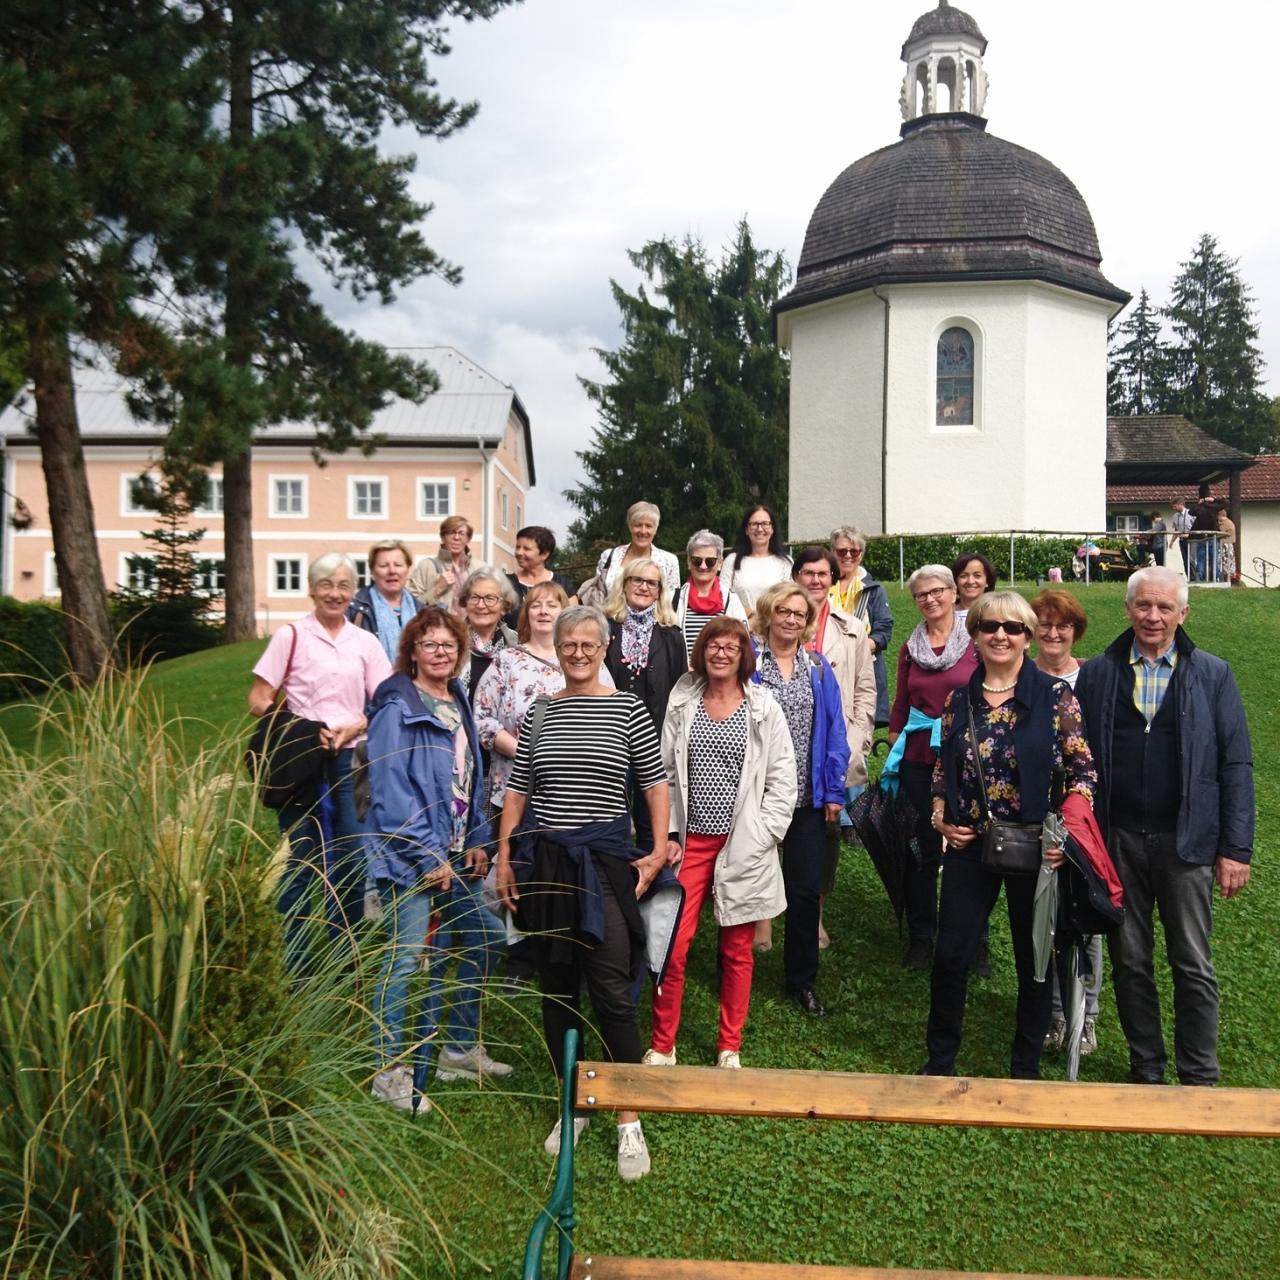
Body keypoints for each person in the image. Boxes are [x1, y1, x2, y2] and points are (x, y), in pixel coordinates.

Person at [494, 605, 682, 1181]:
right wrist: (505, 855)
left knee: (610, 986)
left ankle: (628, 1115)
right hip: (548, 863)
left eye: (588, 644)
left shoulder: (628, 709)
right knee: (556, 987)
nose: (578, 652)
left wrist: (655, 850)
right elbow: (519, 788)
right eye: (568, 643)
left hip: (604, 862)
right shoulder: (540, 712)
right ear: (558, 646)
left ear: (604, 648)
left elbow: (653, 784)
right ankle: (573, 1101)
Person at [1073, 566, 1254, 1085]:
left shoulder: (1213, 674)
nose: (1153, 617)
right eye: (1144, 606)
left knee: (1192, 961)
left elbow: (1235, 764)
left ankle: (1199, 1074)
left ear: (1183, 614)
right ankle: (1146, 1067)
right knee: (1131, 961)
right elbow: (1079, 758)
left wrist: (1235, 849)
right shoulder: (1100, 673)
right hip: (1118, 839)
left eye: (1164, 608)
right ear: (1128, 609)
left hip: (1187, 842)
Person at [922, 591, 1098, 1079]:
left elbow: (1083, 771)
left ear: (1026, 637)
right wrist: (940, 815)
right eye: (990, 626)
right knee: (951, 955)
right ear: (975, 634)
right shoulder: (960, 700)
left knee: (1034, 960)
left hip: (1039, 849)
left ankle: (1025, 1068)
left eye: (1014, 628)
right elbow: (943, 769)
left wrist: (1065, 833)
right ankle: (940, 1061)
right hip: (969, 844)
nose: (1001, 635)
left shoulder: (1056, 697)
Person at [364, 607, 511, 1113]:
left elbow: (467, 779)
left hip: (454, 854)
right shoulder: (396, 705)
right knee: (405, 960)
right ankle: (389, 1070)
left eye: (449, 644)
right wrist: (428, 856)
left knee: (486, 939)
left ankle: (455, 1048)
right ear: (413, 650)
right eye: (430, 644)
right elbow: (389, 793)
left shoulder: (458, 698)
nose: (441, 652)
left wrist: (476, 837)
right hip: (409, 860)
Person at [646, 618, 797, 1069]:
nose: (722, 653)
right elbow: (665, 774)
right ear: (703, 650)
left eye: (732, 646)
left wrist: (765, 833)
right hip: (690, 844)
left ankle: (729, 1046)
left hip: (743, 844)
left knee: (736, 949)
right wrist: (669, 834)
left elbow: (782, 778)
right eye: (714, 644)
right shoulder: (683, 698)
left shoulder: (763, 706)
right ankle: (663, 1044)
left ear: (743, 655)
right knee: (673, 944)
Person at [248, 553, 392, 977]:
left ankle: (341, 957)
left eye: (344, 585)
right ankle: (294, 962)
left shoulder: (365, 642)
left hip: (349, 760)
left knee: (350, 860)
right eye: (326, 584)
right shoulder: (291, 636)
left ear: (353, 592)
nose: (335, 593)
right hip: (300, 760)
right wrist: (302, 726)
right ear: (312, 589)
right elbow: (257, 699)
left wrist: (355, 725)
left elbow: (385, 700)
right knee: (302, 858)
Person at [749, 581, 850, 1017]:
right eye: (783, 611)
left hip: (807, 797)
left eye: (799, 614)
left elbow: (834, 731)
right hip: (756, 796)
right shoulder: (748, 664)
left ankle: (801, 980)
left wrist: (832, 788)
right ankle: (735, 969)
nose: (791, 619)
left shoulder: (818, 668)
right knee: (749, 883)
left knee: (806, 891)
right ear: (768, 614)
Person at [886, 565, 978, 971]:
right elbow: (902, 702)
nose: (930, 599)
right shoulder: (911, 646)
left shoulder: (977, 638)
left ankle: (974, 940)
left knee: (970, 846)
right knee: (921, 847)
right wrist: (894, 740)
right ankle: (922, 934)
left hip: (967, 758)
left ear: (954, 592)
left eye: (938, 591)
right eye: (921, 595)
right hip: (919, 757)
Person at [790, 547, 876, 951]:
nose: (815, 581)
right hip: (785, 742)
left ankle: (817, 914)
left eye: (823, 574)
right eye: (807, 573)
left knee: (826, 830)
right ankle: (767, 919)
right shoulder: (774, 621)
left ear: (834, 579)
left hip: (832, 745)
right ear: (796, 578)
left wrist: (857, 744)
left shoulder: (852, 628)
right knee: (773, 827)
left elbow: (864, 690)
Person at [1031, 588, 1103, 1055]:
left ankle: (1087, 1016)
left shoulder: (1095, 679)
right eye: (1045, 624)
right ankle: (1055, 1014)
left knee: (1087, 916)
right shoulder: (1019, 677)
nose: (1054, 633)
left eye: (1064, 626)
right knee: (1045, 918)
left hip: (1087, 814)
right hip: (1035, 818)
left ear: (1076, 631)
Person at [603, 557, 688, 851]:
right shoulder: (604, 627)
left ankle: (653, 887)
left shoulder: (672, 635)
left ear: (660, 590)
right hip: (609, 739)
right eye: (636, 580)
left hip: (654, 741)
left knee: (652, 823)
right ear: (624, 584)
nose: (643, 587)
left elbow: (681, 691)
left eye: (651, 582)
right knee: (611, 822)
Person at [830, 526, 894, 727]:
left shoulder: (873, 589)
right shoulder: (821, 584)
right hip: (827, 667)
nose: (847, 556)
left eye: (854, 551)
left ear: (861, 554)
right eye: (841, 551)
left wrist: (855, 649)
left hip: (861, 669)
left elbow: (883, 632)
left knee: (858, 733)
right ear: (832, 552)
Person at [674, 529, 750, 663]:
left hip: (722, 676)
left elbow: (742, 644)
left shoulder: (732, 600)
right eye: (697, 560)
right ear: (689, 562)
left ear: (720, 563)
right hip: (684, 679)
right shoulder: (673, 599)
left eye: (710, 561)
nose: (703, 566)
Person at [348, 539, 421, 663]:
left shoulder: (422, 611)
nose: (392, 571)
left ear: (408, 569)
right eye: (383, 566)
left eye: (398, 565)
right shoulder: (354, 609)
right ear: (372, 572)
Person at [593, 500, 681, 597]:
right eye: (638, 525)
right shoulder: (609, 557)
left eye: (648, 526)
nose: (643, 531)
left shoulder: (669, 561)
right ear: (630, 527)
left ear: (655, 529)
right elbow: (597, 597)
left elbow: (672, 602)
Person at [456, 567, 519, 702]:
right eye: (474, 597)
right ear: (465, 602)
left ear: (504, 606)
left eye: (490, 598)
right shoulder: (451, 641)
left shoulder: (516, 645)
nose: (480, 605)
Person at [719, 504, 793, 612]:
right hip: (740, 625)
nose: (759, 529)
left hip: (775, 626)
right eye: (754, 524)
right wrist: (749, 616)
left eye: (765, 524)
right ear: (746, 530)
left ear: (772, 529)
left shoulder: (785, 562)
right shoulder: (732, 561)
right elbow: (722, 597)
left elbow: (790, 598)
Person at [504, 525, 575, 627]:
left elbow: (573, 622)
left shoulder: (563, 585)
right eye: (518, 547)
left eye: (526, 549)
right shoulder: (505, 583)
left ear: (544, 554)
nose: (519, 552)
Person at [407, 515, 474, 613]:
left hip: (470, 628)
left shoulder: (480, 568)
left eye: (461, 533)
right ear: (442, 537)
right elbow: (410, 608)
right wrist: (437, 589)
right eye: (451, 532)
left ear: (468, 539)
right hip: (437, 627)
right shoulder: (426, 566)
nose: (456, 537)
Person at [952, 551, 997, 625]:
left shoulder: (998, 611)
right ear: (955, 581)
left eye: (977, 575)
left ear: (987, 581)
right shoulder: (945, 613)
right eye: (963, 576)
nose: (970, 581)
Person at [1170, 500, 1194, 577]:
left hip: (1192, 540)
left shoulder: (1191, 513)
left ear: (1181, 504)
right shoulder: (1175, 516)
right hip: (1182, 540)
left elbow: (1196, 526)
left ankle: (1196, 577)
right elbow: (1176, 530)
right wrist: (1172, 541)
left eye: (1175, 506)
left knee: (1192, 559)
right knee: (1185, 560)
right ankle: (1190, 577)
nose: (1174, 508)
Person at [1217, 507, 1236, 581]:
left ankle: (1226, 579)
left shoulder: (1226, 524)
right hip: (1228, 545)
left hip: (1225, 545)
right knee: (1227, 563)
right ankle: (1226, 578)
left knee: (1225, 563)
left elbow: (1222, 534)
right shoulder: (1230, 523)